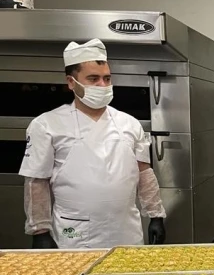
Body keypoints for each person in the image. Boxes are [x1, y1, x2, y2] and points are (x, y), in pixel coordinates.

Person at [20, 38, 167, 249]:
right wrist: (40, 231)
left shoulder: (129, 123)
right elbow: (36, 182)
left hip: (125, 231)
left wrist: (155, 215)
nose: (102, 85)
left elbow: (144, 173)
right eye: (93, 79)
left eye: (107, 78)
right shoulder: (46, 125)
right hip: (75, 233)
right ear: (71, 82)